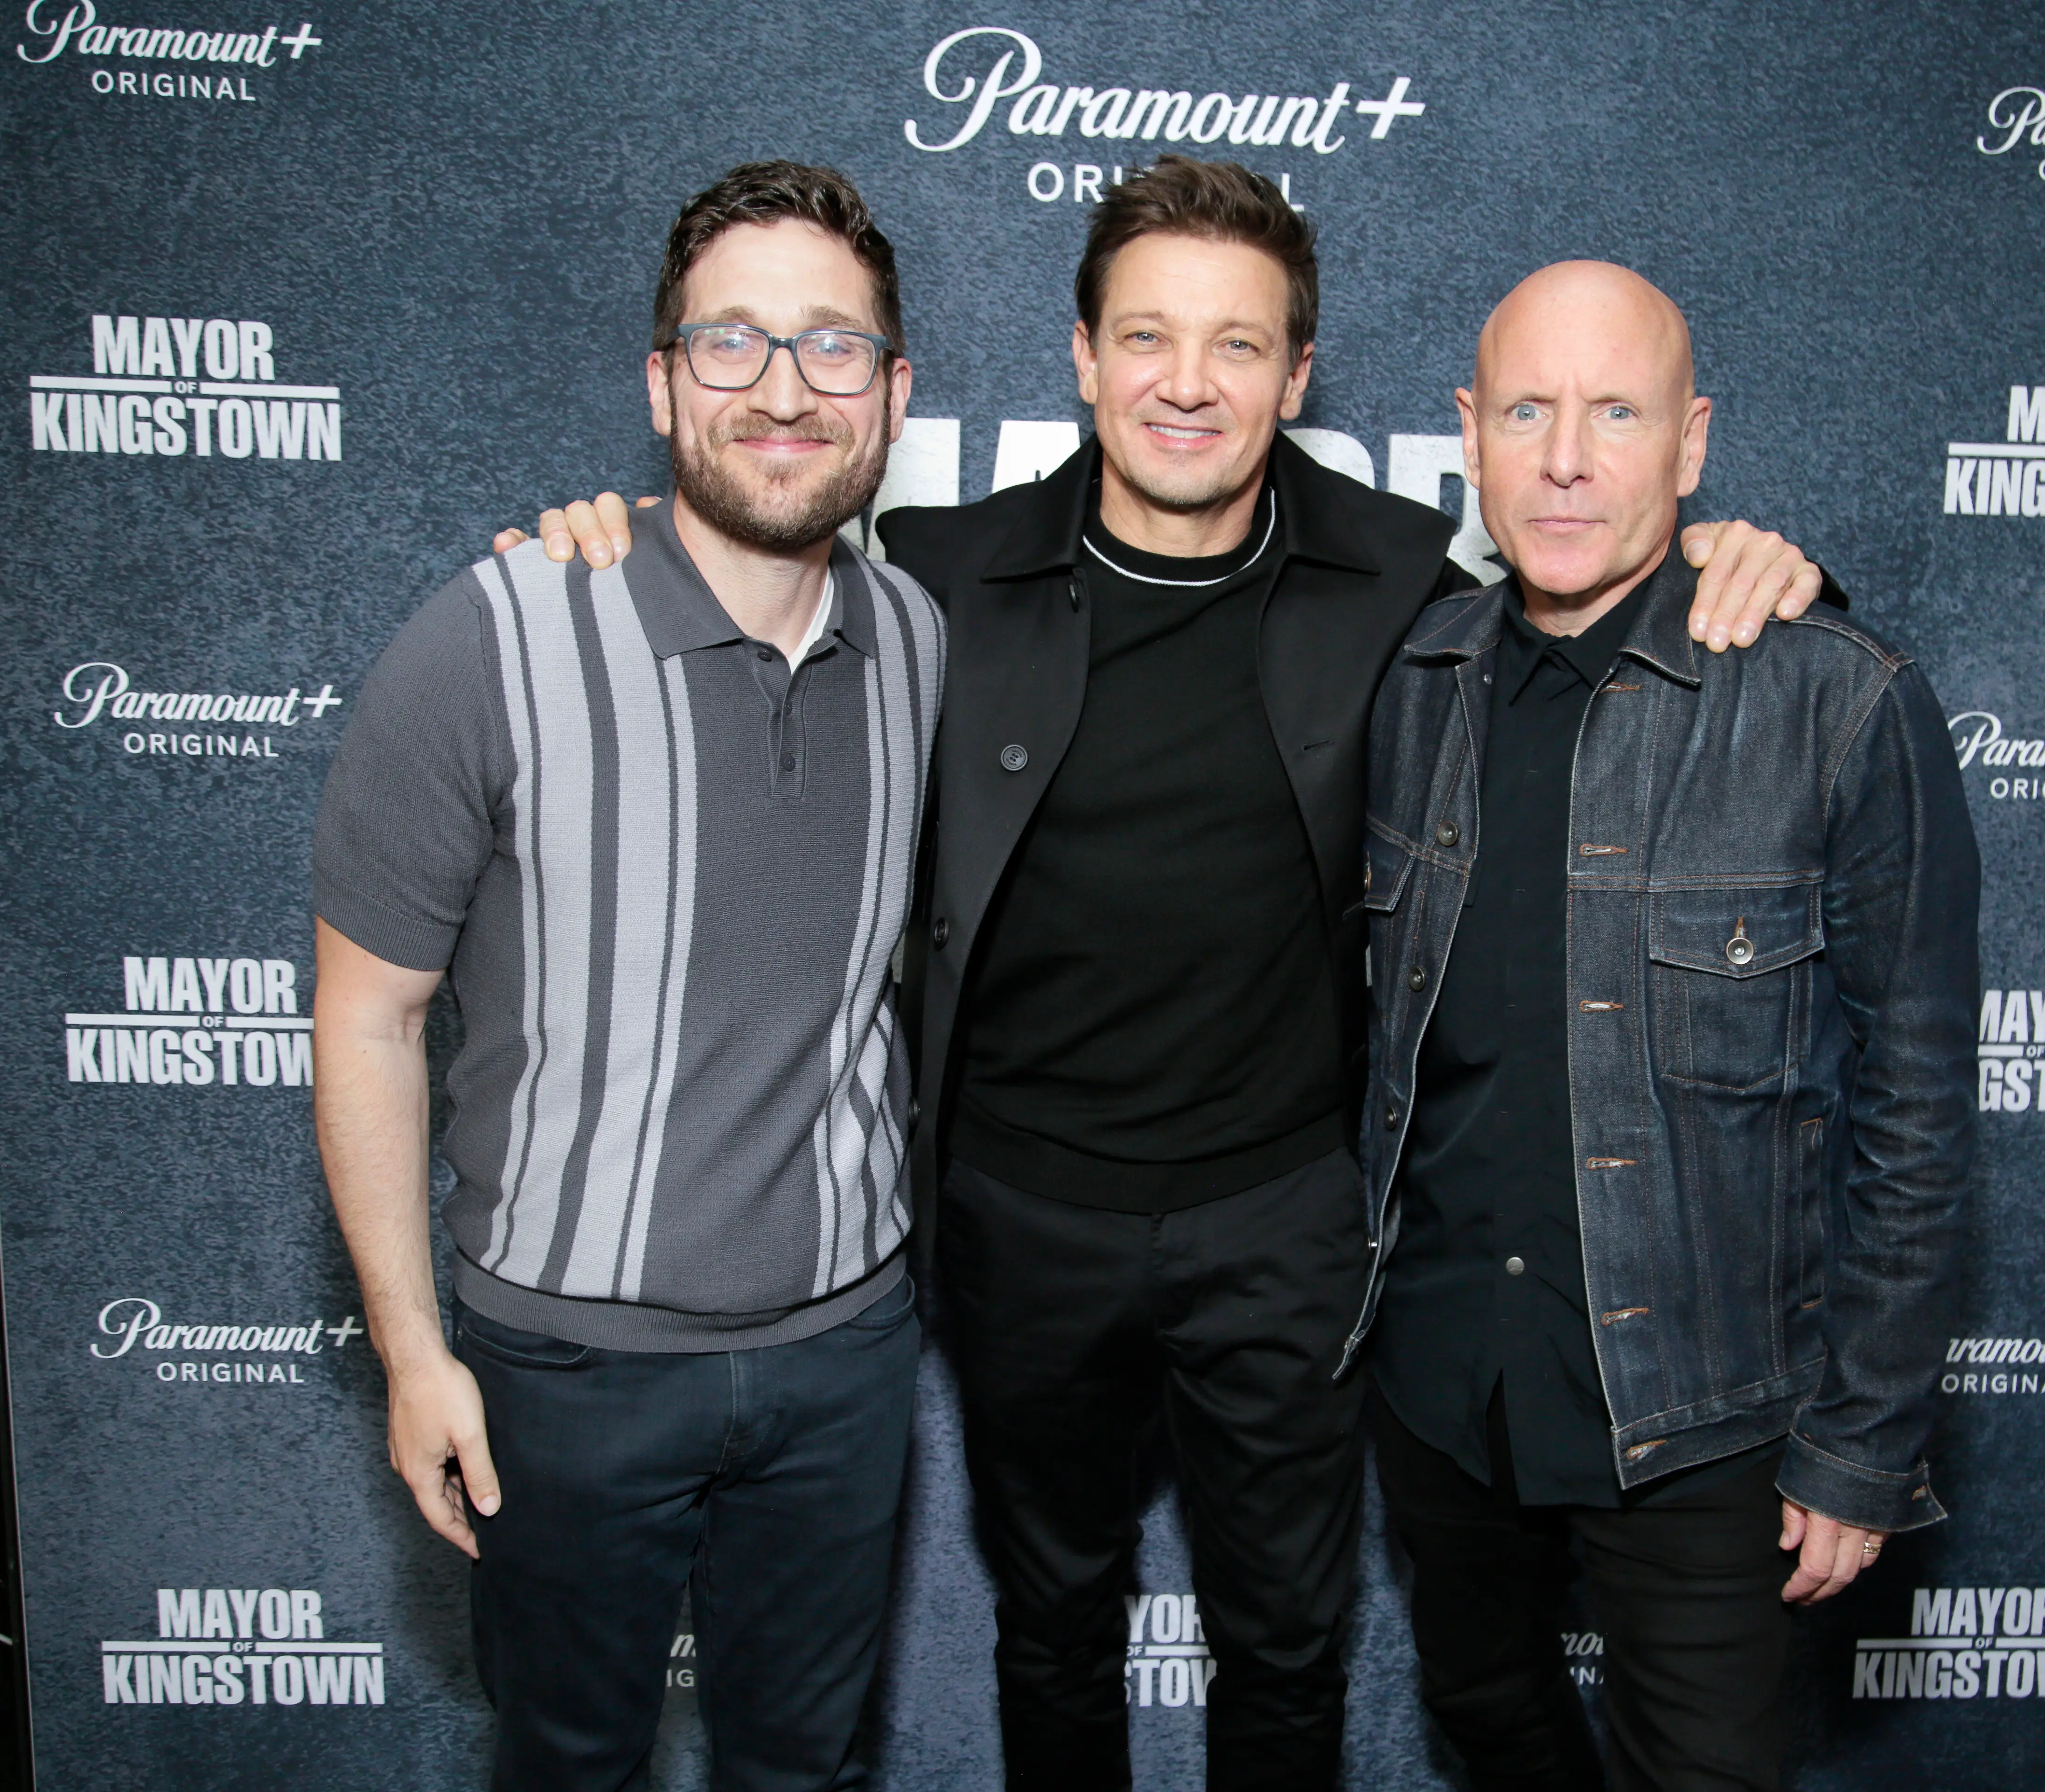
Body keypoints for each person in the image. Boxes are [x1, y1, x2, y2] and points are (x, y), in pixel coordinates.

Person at [513, 157, 1827, 1792]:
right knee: (1051, 1619)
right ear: (1079, 355)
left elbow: (1606, 592)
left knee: (1288, 1640)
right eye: (1145, 337)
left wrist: (1767, 571)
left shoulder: (1404, 575)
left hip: (1283, 1222)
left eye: (1235, 346)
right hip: (1018, 1218)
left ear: (1295, 374)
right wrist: (598, 540)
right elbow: (735, 556)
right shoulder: (934, 570)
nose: (1186, 385)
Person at [312, 162, 943, 1792]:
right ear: (662, 383)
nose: (785, 390)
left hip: (849, 1353)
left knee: (804, 1765)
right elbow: (368, 1014)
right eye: (731, 342)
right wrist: (410, 1351)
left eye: (834, 347)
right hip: (567, 1370)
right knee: (569, 1762)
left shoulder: (927, 645)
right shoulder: (494, 636)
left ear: (894, 394)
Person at [1360, 260, 1979, 1791]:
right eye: (1526, 411)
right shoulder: (1405, 684)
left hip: (1709, 1426)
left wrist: (1860, 1443)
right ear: (1470, 435)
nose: (1565, 457)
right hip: (1445, 1396)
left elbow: (1915, 1110)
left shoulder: (1835, 702)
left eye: (1615, 413)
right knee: (1488, 1724)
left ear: (1691, 446)